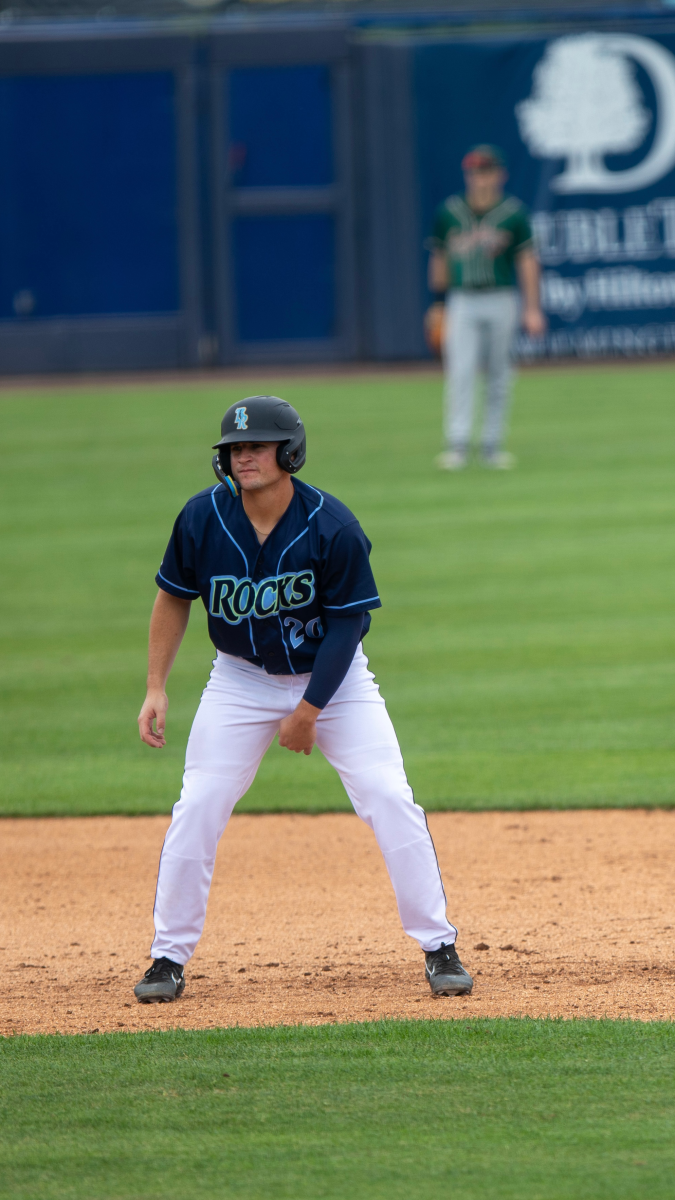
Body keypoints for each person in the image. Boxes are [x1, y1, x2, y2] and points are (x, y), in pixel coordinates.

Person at [134, 395, 473, 1004]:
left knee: (388, 796)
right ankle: (167, 956)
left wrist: (309, 711)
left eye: (257, 446)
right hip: (239, 680)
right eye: (236, 449)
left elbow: (347, 628)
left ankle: (439, 945)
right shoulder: (201, 518)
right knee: (200, 802)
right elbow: (173, 596)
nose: (245, 458)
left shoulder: (332, 526)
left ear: (288, 453)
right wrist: (156, 685)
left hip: (334, 683)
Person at [427, 144, 545, 470]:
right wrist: (437, 304)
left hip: (500, 296)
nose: (480, 178)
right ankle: (458, 444)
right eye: (475, 172)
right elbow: (439, 258)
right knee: (460, 371)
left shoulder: (513, 214)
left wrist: (533, 308)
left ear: (500, 175)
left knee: (499, 373)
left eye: (486, 171)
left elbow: (527, 261)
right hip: (462, 299)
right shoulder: (449, 212)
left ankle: (492, 445)